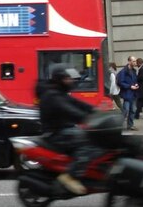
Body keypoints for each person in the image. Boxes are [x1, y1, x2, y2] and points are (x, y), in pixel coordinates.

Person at [38, 65, 96, 195]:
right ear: (59, 79)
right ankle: (71, 175)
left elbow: (78, 103)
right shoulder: (52, 95)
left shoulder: (59, 92)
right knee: (87, 143)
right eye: (67, 79)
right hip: (56, 133)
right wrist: (85, 118)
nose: (71, 81)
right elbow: (68, 110)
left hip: (64, 130)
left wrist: (97, 111)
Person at [116, 56, 139, 131]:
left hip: (133, 94)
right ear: (129, 62)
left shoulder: (134, 71)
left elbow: (135, 80)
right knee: (126, 110)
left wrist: (136, 84)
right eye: (133, 61)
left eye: (135, 61)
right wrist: (130, 86)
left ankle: (130, 125)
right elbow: (120, 82)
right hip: (127, 94)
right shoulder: (123, 71)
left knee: (133, 110)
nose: (135, 63)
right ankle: (118, 125)